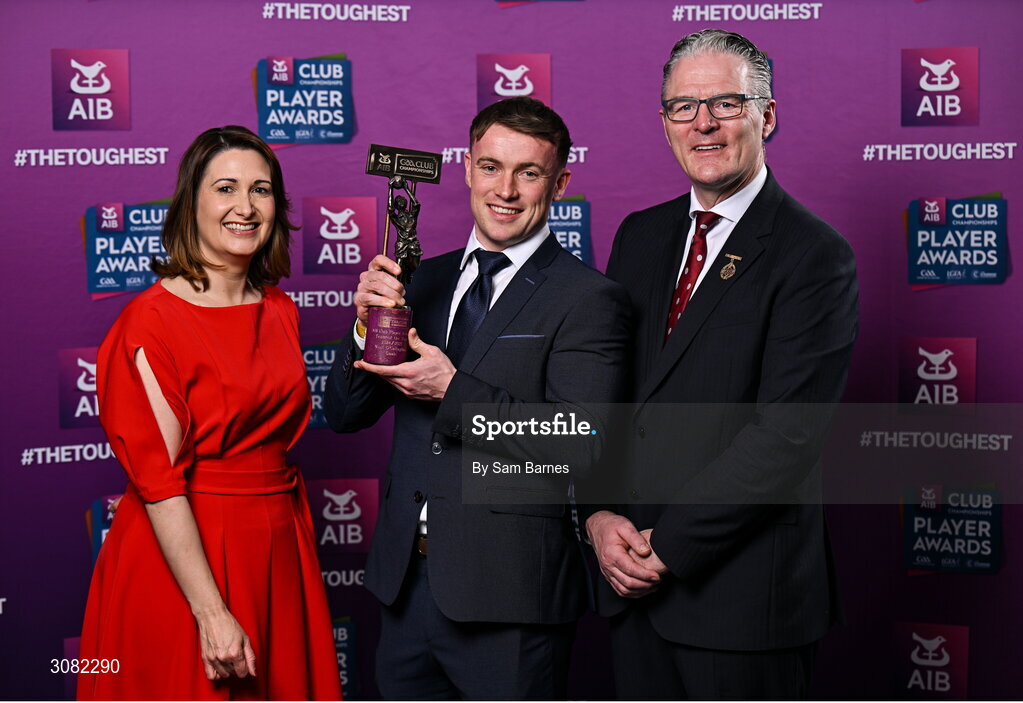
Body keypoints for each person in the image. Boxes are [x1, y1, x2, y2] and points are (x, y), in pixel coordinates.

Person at [583, 29, 859, 700]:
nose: (702, 123)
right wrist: (596, 514)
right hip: (630, 589)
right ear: (665, 123)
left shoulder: (814, 255)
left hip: (744, 603)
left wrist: (667, 547)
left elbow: (785, 437)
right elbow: (608, 397)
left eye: (725, 103)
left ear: (767, 115)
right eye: (683, 106)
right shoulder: (639, 236)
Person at [324, 97, 630, 700]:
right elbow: (344, 413)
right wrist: (363, 326)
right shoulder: (421, 280)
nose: (505, 190)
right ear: (467, 168)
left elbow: (579, 446)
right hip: (405, 588)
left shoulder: (588, 299)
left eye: (528, 172)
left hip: (509, 598)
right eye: (491, 167)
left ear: (560, 183)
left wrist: (452, 391)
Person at [77, 126, 343, 701]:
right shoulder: (151, 322)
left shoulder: (280, 308)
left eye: (260, 189)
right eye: (225, 188)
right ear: (191, 203)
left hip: (278, 546)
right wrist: (211, 612)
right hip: (187, 560)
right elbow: (160, 484)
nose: (245, 207)